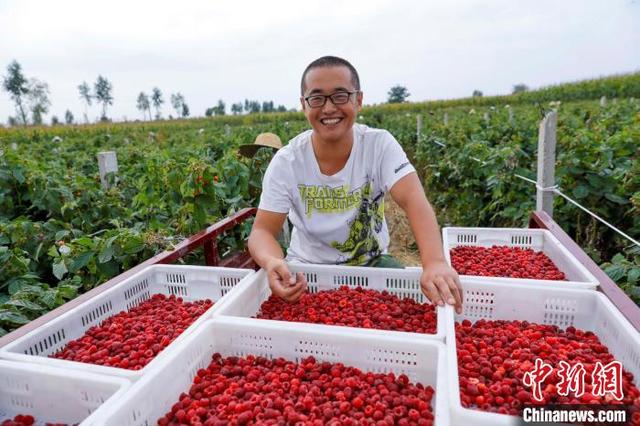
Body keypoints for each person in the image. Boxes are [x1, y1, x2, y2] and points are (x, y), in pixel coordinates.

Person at [248, 56, 463, 313]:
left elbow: (413, 200)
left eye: (340, 95)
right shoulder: (288, 161)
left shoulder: (379, 145)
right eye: (316, 98)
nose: (328, 108)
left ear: (358, 100)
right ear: (304, 105)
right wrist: (273, 262)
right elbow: (262, 231)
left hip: (371, 264)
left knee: (407, 311)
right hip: (306, 272)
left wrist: (435, 261)